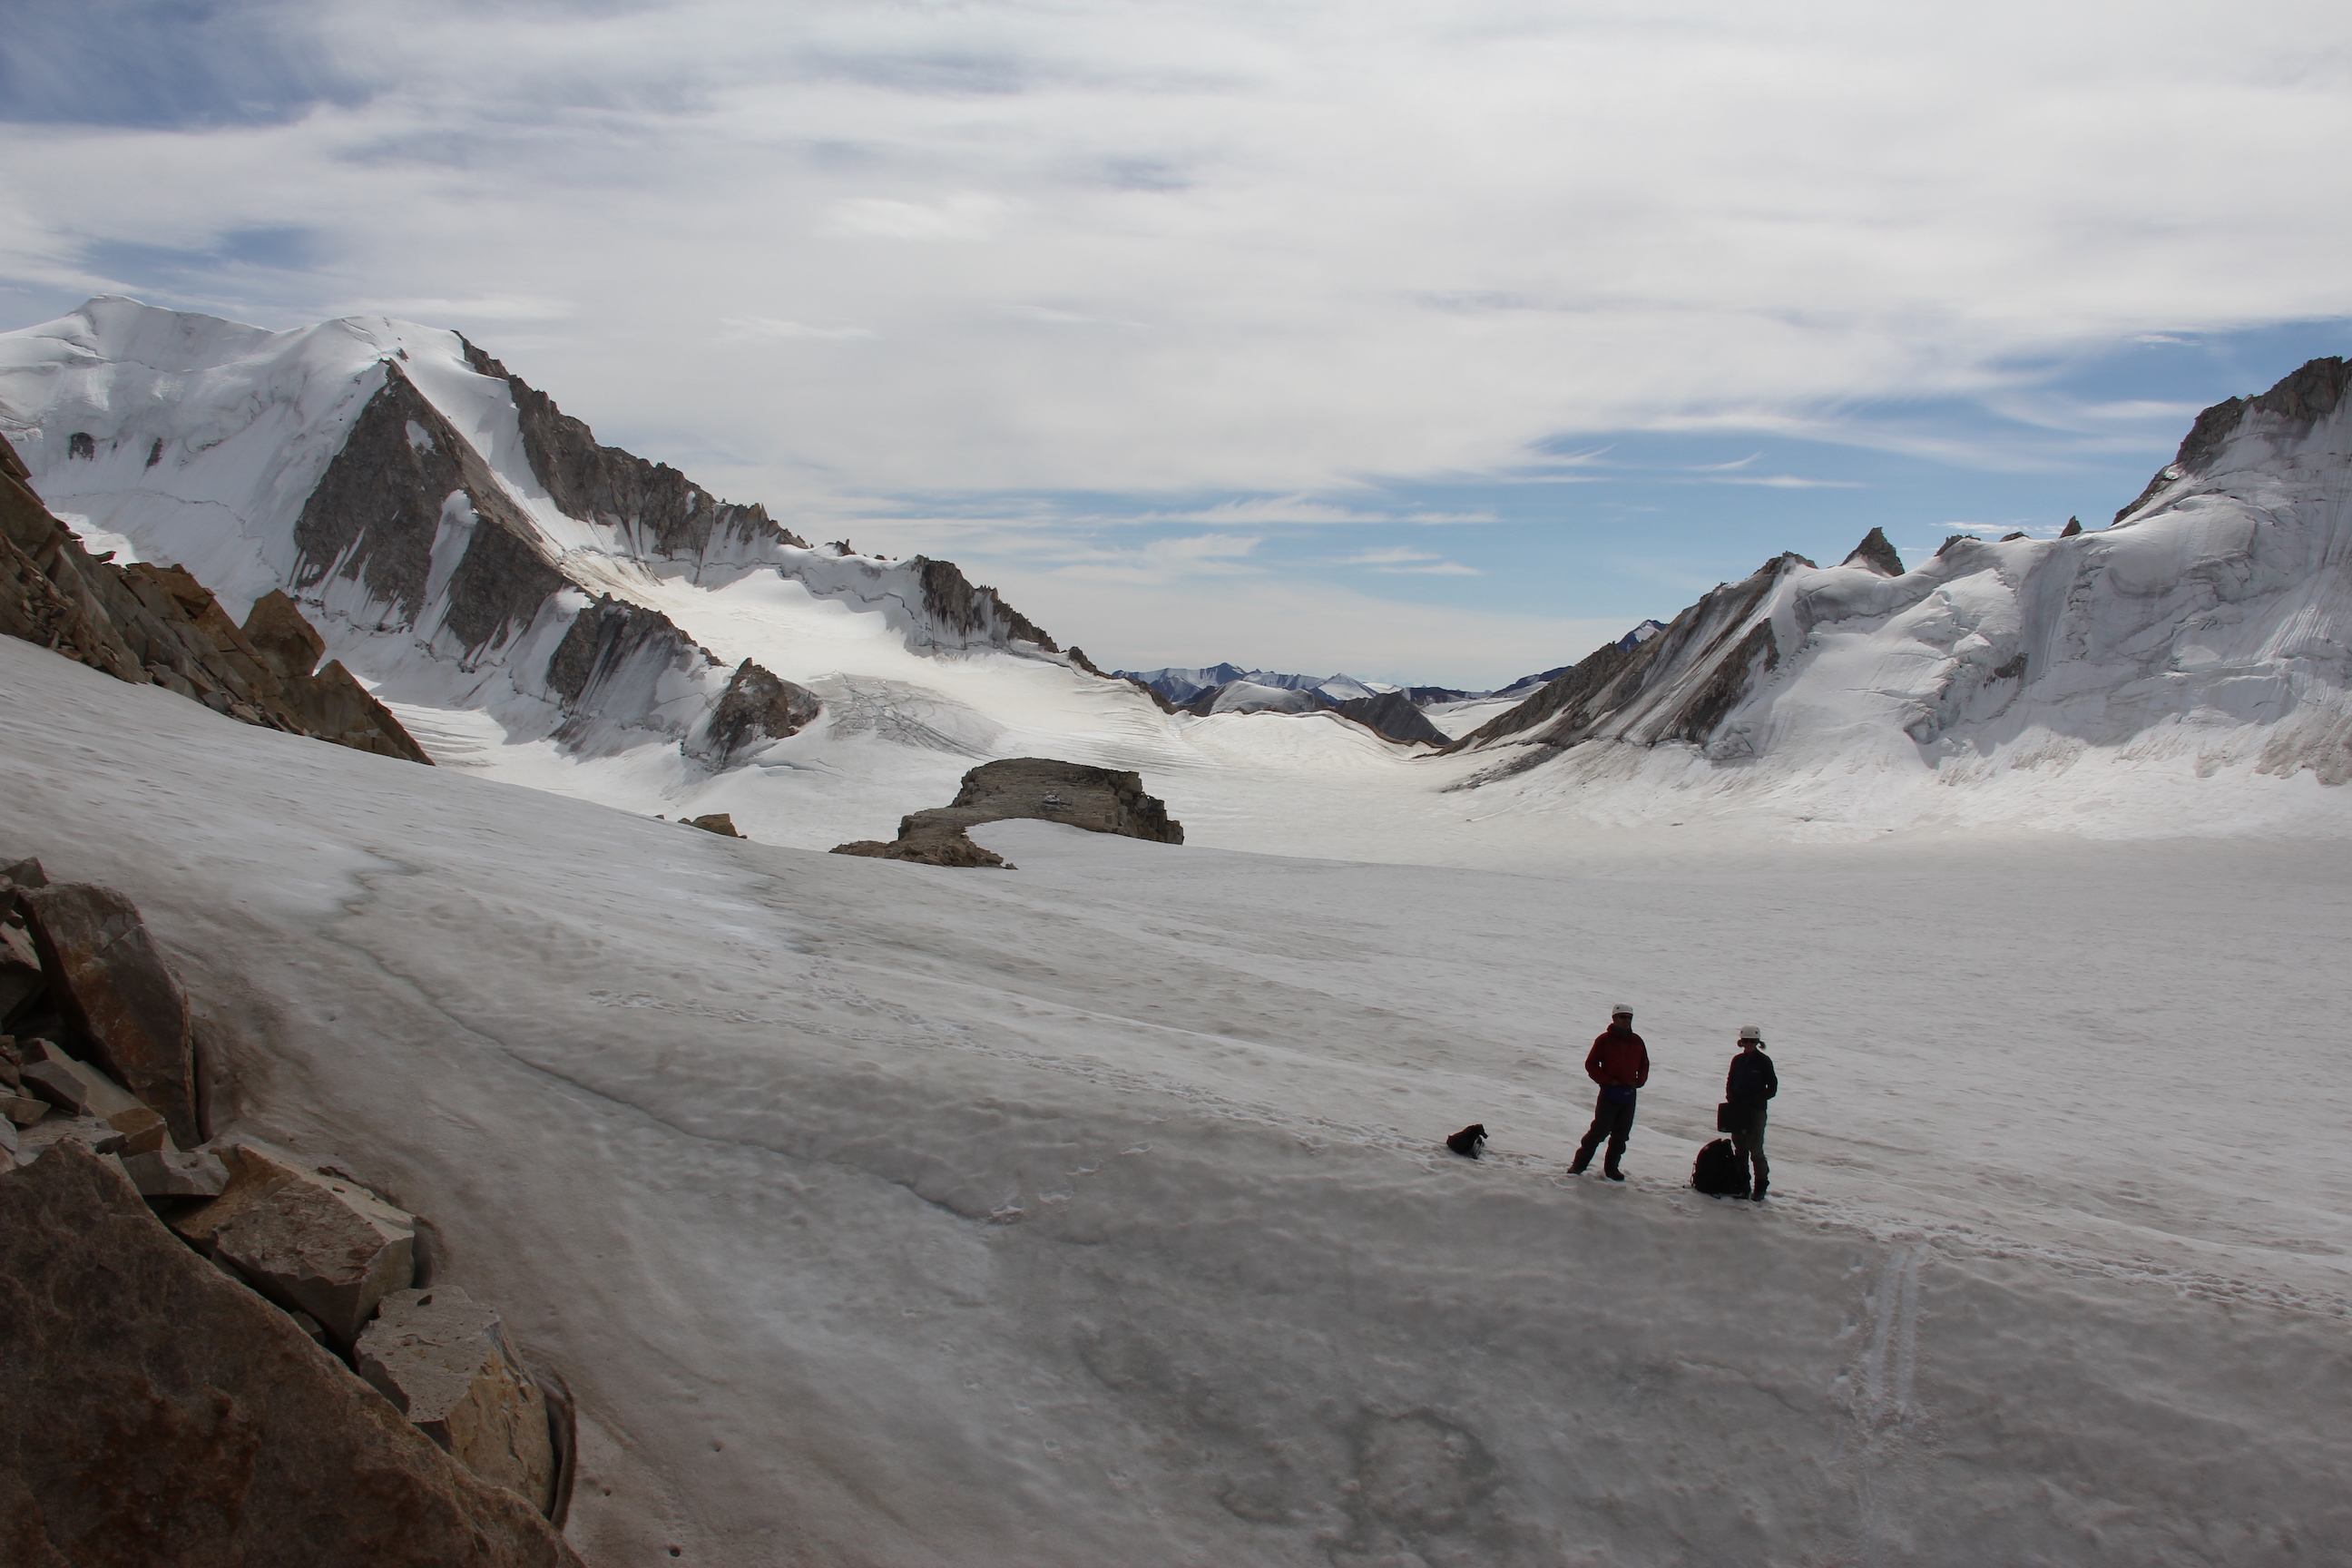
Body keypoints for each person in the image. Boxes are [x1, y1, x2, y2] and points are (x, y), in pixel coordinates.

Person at [1568, 1004, 1649, 1181]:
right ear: (1614, 1019)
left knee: (1621, 1135)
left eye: (1629, 1017)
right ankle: (1578, 1166)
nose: (1626, 1020)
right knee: (1598, 1132)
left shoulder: (1637, 1041)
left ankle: (1612, 1169)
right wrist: (1607, 1081)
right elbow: (1591, 1064)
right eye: (1622, 1017)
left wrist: (1639, 1081)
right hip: (1609, 1093)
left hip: (1629, 1094)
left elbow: (1644, 1064)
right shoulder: (1604, 1040)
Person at [1724, 1024, 1778, 1200]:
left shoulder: (1764, 1061)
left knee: (1755, 1149)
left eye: (1752, 1042)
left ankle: (1761, 1185)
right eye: (1745, 1041)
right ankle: (1742, 1185)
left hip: (1756, 1111)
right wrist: (1731, 1097)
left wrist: (1755, 1099)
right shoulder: (1737, 1061)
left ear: (1757, 1042)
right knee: (1739, 1148)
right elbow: (1730, 1081)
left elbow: (1772, 1088)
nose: (1748, 1045)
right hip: (1738, 1109)